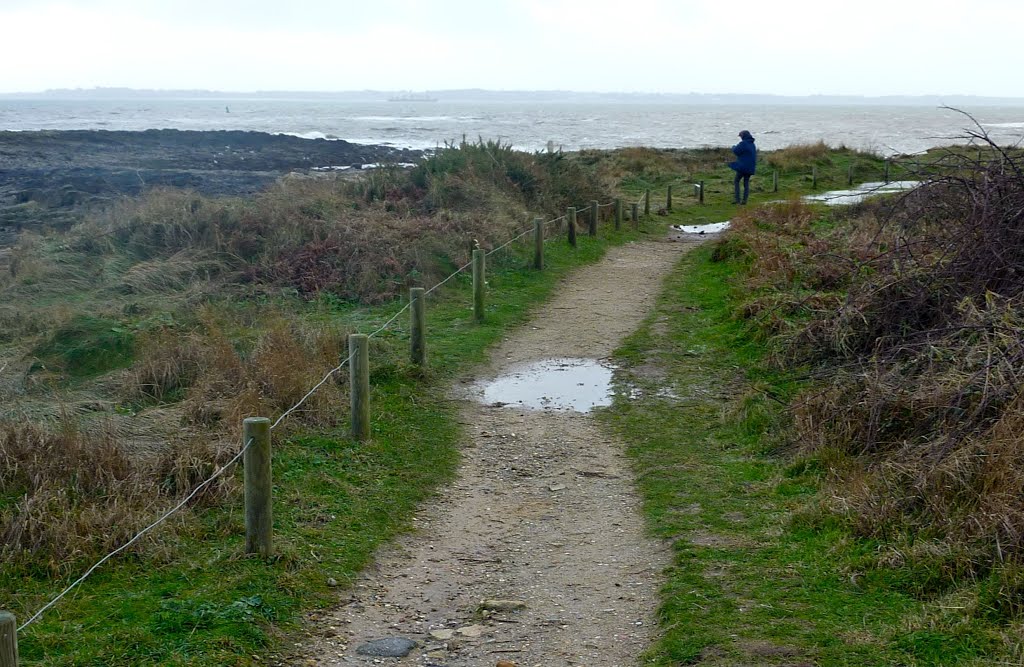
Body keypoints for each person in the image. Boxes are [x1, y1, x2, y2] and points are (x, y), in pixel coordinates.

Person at [728, 130, 757, 204]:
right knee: (746, 183)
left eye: (740, 136)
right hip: (750, 167)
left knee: (736, 181)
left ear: (743, 136)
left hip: (743, 167)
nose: (740, 137)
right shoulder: (752, 144)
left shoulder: (743, 143)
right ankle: (744, 200)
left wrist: (733, 147)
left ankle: (737, 200)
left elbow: (736, 151)